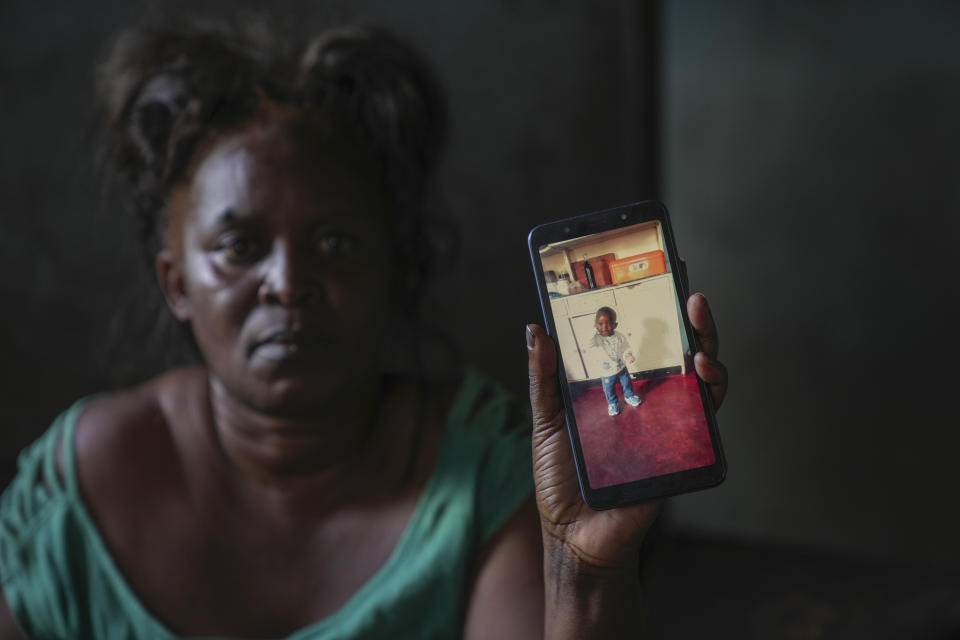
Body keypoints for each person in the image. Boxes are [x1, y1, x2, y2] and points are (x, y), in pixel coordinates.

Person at [0, 16, 729, 640]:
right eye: (239, 247)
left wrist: (584, 569)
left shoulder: (484, 477)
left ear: (395, 268)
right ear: (176, 284)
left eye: (335, 244)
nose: (287, 283)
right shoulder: (79, 484)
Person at [590, 306, 642, 416]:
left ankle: (629, 396)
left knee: (626, 382)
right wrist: (593, 332)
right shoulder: (596, 339)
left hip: (621, 366)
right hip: (606, 371)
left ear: (615, 325)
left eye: (608, 323)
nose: (604, 327)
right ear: (595, 325)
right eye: (600, 324)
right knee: (609, 389)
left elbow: (625, 347)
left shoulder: (619, 336)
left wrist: (628, 355)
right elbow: (591, 345)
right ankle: (613, 403)